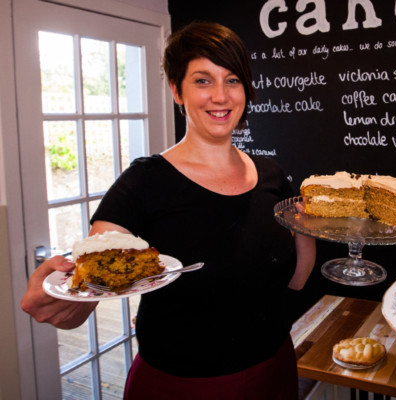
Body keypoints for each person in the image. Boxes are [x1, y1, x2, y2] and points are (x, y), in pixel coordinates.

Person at [21, 21, 316, 399]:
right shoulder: (144, 181)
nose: (221, 96)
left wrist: (308, 226)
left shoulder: (272, 175)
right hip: (179, 386)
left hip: (273, 372)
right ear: (177, 91)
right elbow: (94, 274)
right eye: (203, 80)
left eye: (233, 80)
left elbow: (295, 281)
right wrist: (63, 297)